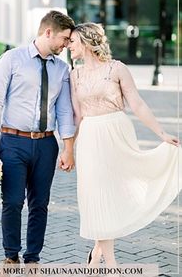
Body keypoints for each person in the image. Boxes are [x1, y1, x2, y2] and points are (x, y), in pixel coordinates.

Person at [67, 22, 182, 267]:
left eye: (73, 42)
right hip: (90, 139)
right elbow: (76, 116)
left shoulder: (117, 68)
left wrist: (161, 133)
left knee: (113, 196)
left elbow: (137, 104)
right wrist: (68, 149)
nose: (69, 46)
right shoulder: (73, 75)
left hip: (116, 135)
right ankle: (111, 265)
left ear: (87, 43)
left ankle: (97, 254)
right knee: (96, 196)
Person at [0, 10, 76, 264]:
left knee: (40, 204)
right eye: (64, 39)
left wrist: (68, 148)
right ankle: (11, 255)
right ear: (48, 32)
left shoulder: (62, 69)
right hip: (13, 142)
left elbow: (64, 111)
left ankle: (33, 257)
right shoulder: (11, 59)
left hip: (46, 144)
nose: (66, 45)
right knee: (13, 201)